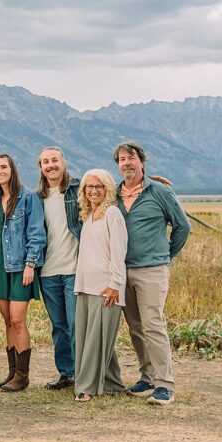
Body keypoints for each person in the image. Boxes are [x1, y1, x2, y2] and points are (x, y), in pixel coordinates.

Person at [114, 141, 191, 406]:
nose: (127, 163)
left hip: (151, 270)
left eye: (131, 158)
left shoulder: (160, 191)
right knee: (135, 326)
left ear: (142, 162)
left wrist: (166, 256)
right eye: (122, 159)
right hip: (122, 272)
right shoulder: (113, 194)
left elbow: (182, 226)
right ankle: (147, 377)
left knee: (153, 324)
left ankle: (165, 385)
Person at [0, 153, 46, 392]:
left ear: (12, 169)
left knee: (18, 320)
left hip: (20, 266)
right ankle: (11, 372)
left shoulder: (28, 198)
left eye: (3, 167)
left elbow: (37, 234)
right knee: (7, 319)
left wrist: (31, 264)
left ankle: (23, 375)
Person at [73, 169, 128, 402]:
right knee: (90, 336)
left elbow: (119, 253)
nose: (93, 191)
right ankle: (112, 383)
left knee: (96, 338)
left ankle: (86, 387)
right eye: (89, 187)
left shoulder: (112, 214)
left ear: (107, 189)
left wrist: (115, 284)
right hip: (86, 285)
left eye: (99, 187)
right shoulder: (89, 215)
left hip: (106, 287)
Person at [36, 147, 81, 390]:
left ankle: (82, 373)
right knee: (59, 326)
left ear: (63, 162)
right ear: (40, 167)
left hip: (75, 269)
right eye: (45, 162)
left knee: (76, 324)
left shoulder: (79, 188)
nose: (51, 165)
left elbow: (107, 191)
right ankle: (66, 373)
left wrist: (151, 180)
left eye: (55, 160)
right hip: (48, 271)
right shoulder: (37, 197)